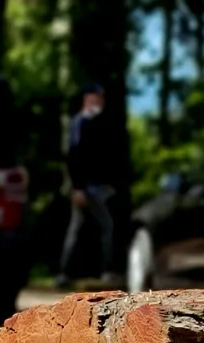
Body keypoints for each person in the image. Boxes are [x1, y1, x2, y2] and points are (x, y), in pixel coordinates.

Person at [56, 82, 120, 289]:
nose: (99, 102)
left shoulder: (96, 123)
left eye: (101, 99)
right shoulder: (80, 123)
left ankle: (65, 273)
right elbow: (74, 157)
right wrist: (78, 187)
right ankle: (106, 271)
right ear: (87, 99)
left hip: (95, 187)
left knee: (77, 229)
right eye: (96, 98)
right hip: (86, 188)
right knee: (106, 226)